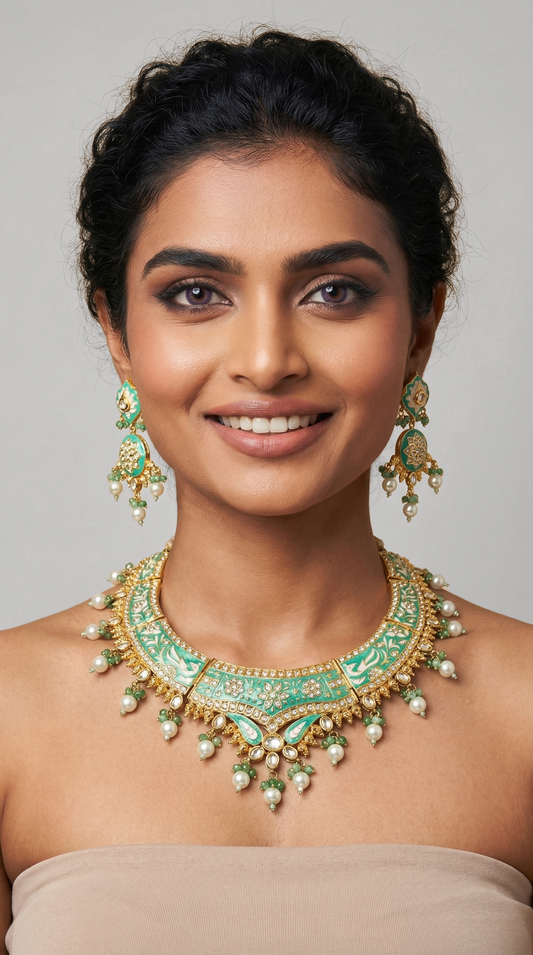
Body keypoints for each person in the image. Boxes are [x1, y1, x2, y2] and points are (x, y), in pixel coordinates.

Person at [1, 29, 531, 955]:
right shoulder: (9, 712)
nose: (265, 361)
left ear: (420, 325)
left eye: (332, 290)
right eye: (197, 293)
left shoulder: (523, 711)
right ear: (117, 331)